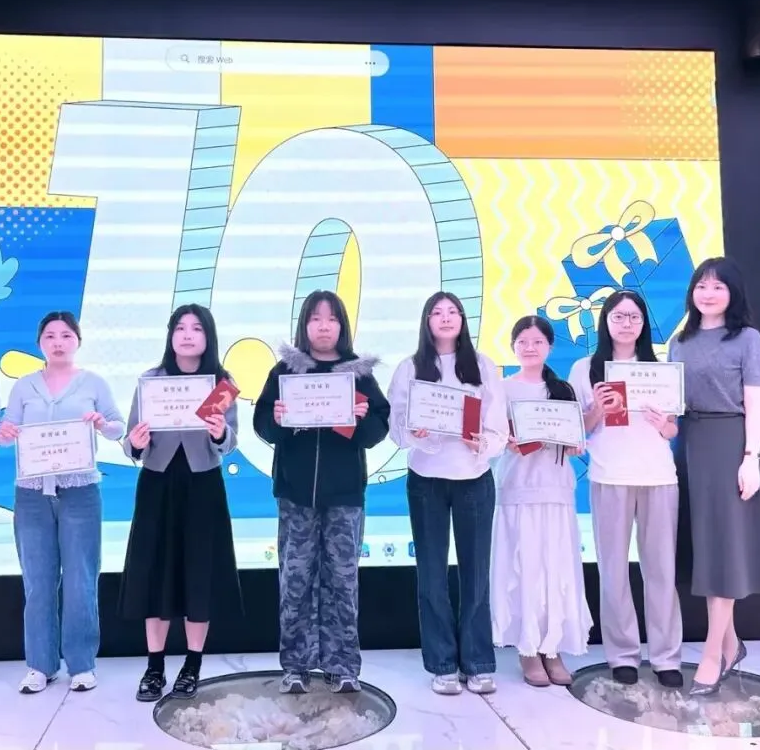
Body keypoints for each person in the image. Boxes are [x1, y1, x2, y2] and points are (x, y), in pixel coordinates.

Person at [253, 290, 391, 694]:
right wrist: (278, 419)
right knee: (295, 581)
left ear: (342, 326)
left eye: (332, 319)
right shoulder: (284, 372)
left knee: (342, 582)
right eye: (316, 318)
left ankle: (343, 665)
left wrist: (360, 420)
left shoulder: (359, 375)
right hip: (295, 495)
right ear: (305, 325)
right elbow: (263, 424)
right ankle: (295, 666)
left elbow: (377, 430)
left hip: (345, 496)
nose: (324, 326)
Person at [669, 257, 760, 696]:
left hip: (728, 444)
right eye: (701, 285)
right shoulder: (679, 342)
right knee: (708, 549)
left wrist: (751, 458)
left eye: (718, 286)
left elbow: (755, 408)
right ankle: (731, 643)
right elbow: (673, 404)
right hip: (689, 445)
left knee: (723, 550)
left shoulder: (747, 339)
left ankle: (711, 655)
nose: (708, 293)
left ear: (733, 293)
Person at [0, 311, 125, 695]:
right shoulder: (23, 386)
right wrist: (5, 431)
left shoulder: (94, 383)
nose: (58, 342)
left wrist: (102, 424)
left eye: (66, 335)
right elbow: (5, 432)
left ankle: (82, 664)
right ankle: (40, 665)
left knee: (81, 579)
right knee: (38, 581)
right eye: (50, 336)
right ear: (39, 343)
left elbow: (118, 427)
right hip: (32, 493)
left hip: (80, 491)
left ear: (78, 341)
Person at [386, 292, 508, 695]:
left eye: (452, 311)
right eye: (436, 312)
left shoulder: (483, 365)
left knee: (476, 574)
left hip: (474, 478)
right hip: (426, 481)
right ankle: (442, 664)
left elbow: (498, 428)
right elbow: (396, 429)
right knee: (432, 576)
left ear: (462, 320)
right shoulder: (410, 368)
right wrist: (416, 434)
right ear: (426, 321)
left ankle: (477, 662)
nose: (445, 318)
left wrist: (480, 442)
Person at [119, 304, 240, 702]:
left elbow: (229, 441)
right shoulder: (151, 381)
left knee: (198, 575)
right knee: (155, 573)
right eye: (180, 328)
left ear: (209, 336)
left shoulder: (221, 384)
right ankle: (154, 667)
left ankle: (192, 665)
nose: (187, 335)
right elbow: (132, 442)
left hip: (203, 485)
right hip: (157, 483)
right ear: (171, 336)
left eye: (197, 328)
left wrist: (220, 433)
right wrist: (135, 443)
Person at [567, 291, 683, 689]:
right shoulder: (586, 368)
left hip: (658, 477)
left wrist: (662, 424)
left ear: (644, 323)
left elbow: (672, 430)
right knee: (613, 570)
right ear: (606, 321)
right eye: (618, 316)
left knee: (661, 571)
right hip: (609, 476)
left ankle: (666, 656)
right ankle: (622, 655)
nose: (626, 323)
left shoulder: (661, 369)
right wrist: (597, 408)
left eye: (634, 317)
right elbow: (578, 431)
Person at [490, 316, 593, 687]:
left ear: (549, 346)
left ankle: (553, 648)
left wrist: (575, 442)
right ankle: (528, 648)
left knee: (555, 569)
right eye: (523, 341)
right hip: (517, 488)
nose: (529, 347)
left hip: (556, 489)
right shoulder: (502, 388)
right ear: (513, 346)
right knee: (523, 569)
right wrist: (505, 441)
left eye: (537, 341)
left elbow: (578, 441)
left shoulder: (563, 389)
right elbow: (491, 437)